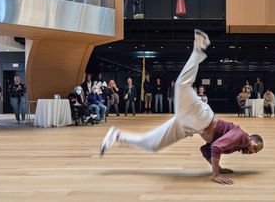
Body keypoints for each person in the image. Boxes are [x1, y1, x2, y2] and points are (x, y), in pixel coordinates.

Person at [100, 30, 264, 185]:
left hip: (191, 126)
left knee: (153, 144)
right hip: (201, 118)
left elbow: (206, 149)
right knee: (181, 84)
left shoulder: (240, 145)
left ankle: (117, 136)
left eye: (255, 152)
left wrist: (218, 168)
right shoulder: (242, 137)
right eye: (255, 147)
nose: (252, 151)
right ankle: (198, 48)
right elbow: (215, 147)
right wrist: (216, 174)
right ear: (251, 139)